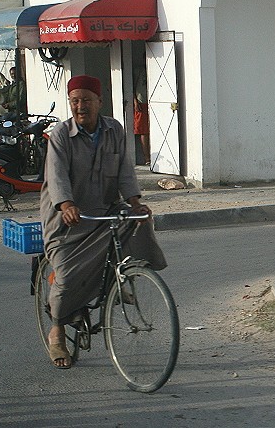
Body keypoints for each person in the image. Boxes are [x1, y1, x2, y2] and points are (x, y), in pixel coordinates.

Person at [40, 75, 167, 369]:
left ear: (99, 102)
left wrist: (134, 200)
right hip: (67, 218)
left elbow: (124, 169)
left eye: (86, 100)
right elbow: (56, 175)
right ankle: (57, 329)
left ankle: (125, 275)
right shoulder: (60, 135)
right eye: (75, 101)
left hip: (104, 208)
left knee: (137, 220)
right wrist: (67, 204)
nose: (80, 106)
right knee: (68, 275)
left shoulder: (115, 130)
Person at [133, 67, 150, 165]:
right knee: (144, 131)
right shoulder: (138, 71)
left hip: (154, 101)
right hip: (141, 102)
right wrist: (135, 102)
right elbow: (131, 87)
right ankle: (147, 158)